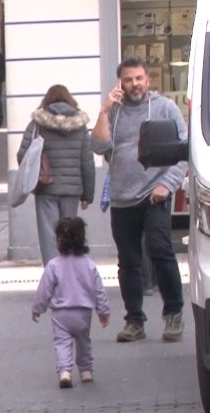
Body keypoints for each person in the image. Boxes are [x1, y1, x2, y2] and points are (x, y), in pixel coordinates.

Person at [91, 57, 187, 343]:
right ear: (121, 83)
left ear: (148, 80)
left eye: (139, 79)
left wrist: (167, 185)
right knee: (128, 262)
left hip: (154, 195)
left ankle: (173, 314)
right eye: (128, 79)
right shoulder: (115, 112)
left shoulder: (164, 108)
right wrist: (105, 111)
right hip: (122, 198)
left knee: (160, 250)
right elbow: (98, 146)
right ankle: (134, 321)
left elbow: (184, 151)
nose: (134, 84)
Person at [17, 85, 95, 265]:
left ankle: (53, 276)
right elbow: (87, 163)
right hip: (72, 191)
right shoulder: (80, 126)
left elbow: (23, 155)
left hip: (45, 189)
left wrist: (35, 173)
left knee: (49, 236)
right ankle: (70, 273)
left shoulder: (37, 123)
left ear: (47, 100)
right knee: (69, 234)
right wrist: (87, 195)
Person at [31, 217, 111, 388]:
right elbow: (99, 291)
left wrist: (38, 308)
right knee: (84, 342)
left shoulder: (53, 265)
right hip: (84, 313)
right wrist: (103, 311)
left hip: (61, 313)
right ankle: (86, 371)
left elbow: (44, 290)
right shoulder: (89, 265)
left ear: (59, 241)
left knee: (62, 343)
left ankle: (65, 372)